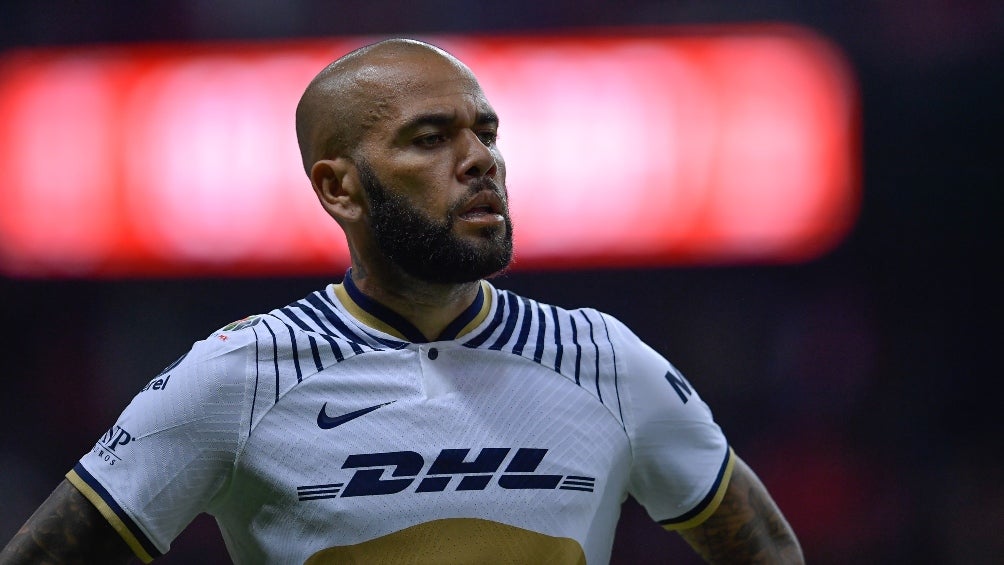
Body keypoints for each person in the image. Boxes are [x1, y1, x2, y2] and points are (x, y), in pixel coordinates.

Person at [1, 38, 803, 564]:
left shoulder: (601, 358)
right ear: (339, 187)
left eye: (485, 132)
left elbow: (766, 547)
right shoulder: (240, 376)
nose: (480, 160)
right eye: (430, 138)